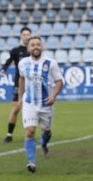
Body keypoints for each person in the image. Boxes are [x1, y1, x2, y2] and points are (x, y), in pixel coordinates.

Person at [18, 36, 64, 173]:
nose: (36, 47)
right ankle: (31, 162)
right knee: (30, 131)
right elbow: (21, 79)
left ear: (42, 47)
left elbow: (60, 81)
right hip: (29, 103)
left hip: (46, 104)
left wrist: (54, 95)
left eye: (38, 44)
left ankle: (44, 144)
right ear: (28, 48)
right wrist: (20, 97)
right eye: (33, 45)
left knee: (47, 131)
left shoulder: (51, 63)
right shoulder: (22, 63)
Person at [0, 27, 32, 144]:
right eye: (24, 34)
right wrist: (3, 69)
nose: (26, 36)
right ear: (21, 36)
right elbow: (9, 61)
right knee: (16, 109)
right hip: (19, 83)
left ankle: (29, 135)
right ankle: (9, 135)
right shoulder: (16, 50)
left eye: (28, 34)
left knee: (31, 110)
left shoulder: (34, 50)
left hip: (32, 83)